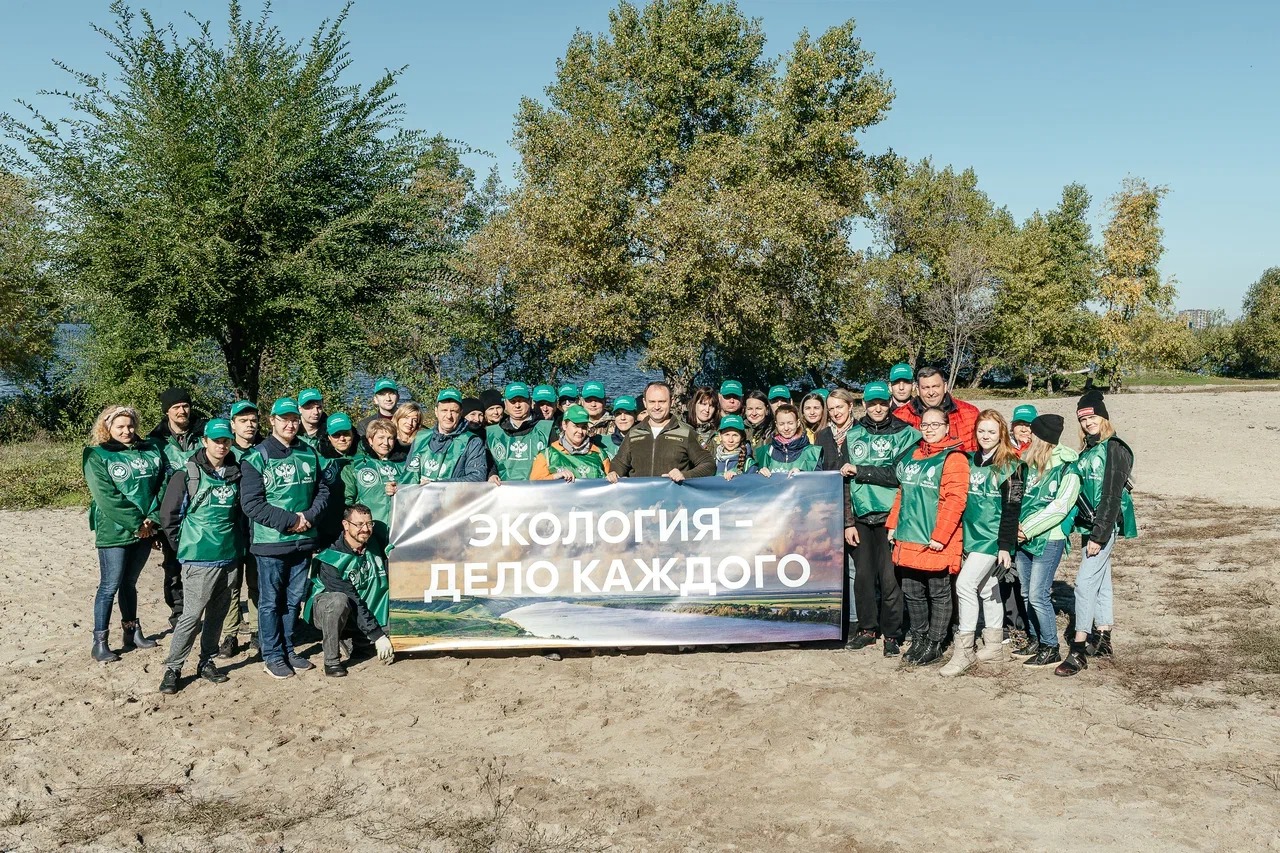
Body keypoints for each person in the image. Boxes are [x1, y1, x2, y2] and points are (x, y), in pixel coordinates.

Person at [239, 397, 332, 679]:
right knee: (270, 602)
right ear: (272, 421)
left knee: (294, 600)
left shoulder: (308, 452)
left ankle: (289, 648)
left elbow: (323, 490)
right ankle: (272, 654)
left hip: (303, 539)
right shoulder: (256, 457)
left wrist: (309, 517)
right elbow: (252, 504)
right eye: (284, 419)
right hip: (271, 543)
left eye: (294, 419)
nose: (290, 424)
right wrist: (291, 521)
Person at [156, 419, 244, 693]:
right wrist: (181, 546)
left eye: (226, 440)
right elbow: (168, 516)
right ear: (204, 441)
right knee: (191, 616)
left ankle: (206, 661)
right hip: (198, 557)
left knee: (217, 614)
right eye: (216, 440)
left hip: (228, 556)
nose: (222, 445)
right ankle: (174, 667)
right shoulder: (187, 475)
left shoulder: (236, 473)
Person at [1056, 390, 1137, 677]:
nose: (1088, 422)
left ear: (1103, 417)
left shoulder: (1114, 448)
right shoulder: (1088, 449)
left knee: (1084, 583)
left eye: (1092, 417)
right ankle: (1103, 638)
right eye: (1083, 419)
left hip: (1103, 526)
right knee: (1101, 581)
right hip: (1089, 524)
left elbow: (1112, 495)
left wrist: (1099, 536)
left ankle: (1078, 649)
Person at [940, 410, 1024, 677]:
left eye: (991, 431)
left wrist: (1005, 546)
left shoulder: (1011, 465)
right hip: (971, 535)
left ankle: (964, 651)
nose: (986, 436)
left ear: (1002, 433)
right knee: (989, 589)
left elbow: (1012, 509)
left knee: (965, 585)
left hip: (991, 539)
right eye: (981, 431)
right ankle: (993, 645)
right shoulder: (970, 460)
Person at [839, 383, 920, 656]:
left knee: (889, 579)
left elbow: (899, 474)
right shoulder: (853, 434)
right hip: (861, 516)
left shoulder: (906, 433)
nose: (877, 408)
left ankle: (892, 634)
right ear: (864, 404)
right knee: (862, 577)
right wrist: (848, 522)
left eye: (882, 403)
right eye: (872, 403)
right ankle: (867, 629)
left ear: (889, 403)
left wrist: (861, 470)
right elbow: (845, 483)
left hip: (891, 516)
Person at [886, 406, 969, 667]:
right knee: (912, 590)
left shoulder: (954, 458)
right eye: (925, 425)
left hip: (935, 538)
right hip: (909, 534)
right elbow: (903, 492)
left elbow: (955, 500)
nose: (930, 429)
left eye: (936, 425)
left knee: (938, 591)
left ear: (947, 427)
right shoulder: (913, 454)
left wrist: (941, 536)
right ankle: (920, 637)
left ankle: (935, 642)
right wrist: (892, 525)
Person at [83, 405, 166, 663]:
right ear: (107, 428)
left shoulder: (151, 449)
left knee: (130, 583)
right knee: (110, 585)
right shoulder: (96, 455)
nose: (126, 431)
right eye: (120, 426)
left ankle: (131, 632)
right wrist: (136, 522)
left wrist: (152, 518)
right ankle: (100, 642)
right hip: (115, 529)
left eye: (130, 425)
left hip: (146, 527)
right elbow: (106, 496)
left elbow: (162, 483)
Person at [1012, 414, 1081, 669]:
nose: (1028, 437)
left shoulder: (1067, 467)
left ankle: (1050, 646)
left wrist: (1027, 529)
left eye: (1034, 434)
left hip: (1048, 538)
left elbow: (1060, 507)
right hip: (1022, 536)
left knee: (1038, 594)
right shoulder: (1026, 463)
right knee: (1025, 592)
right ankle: (1035, 638)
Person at [302, 505, 396, 677]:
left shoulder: (374, 544)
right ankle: (332, 661)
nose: (365, 529)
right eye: (359, 524)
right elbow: (353, 600)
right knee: (339, 601)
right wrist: (377, 635)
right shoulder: (332, 559)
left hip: (366, 608)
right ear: (346, 525)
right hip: (331, 610)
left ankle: (359, 640)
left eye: (369, 524)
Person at [149, 387, 207, 626]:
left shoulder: (205, 432)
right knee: (172, 565)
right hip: (171, 512)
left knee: (204, 564)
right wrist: (154, 519)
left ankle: (205, 610)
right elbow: (151, 481)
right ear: (167, 411)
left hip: (202, 510)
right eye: (176, 407)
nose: (182, 411)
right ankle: (178, 612)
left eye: (185, 406)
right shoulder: (155, 441)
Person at [220, 399, 264, 657]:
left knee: (257, 583)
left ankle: (258, 631)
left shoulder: (263, 451)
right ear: (233, 425)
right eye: (243, 421)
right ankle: (230, 634)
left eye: (253, 421)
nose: (249, 425)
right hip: (230, 528)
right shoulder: (225, 452)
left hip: (258, 528)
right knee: (231, 585)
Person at [608, 381, 714, 481]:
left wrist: (685, 475)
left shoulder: (686, 432)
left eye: (662, 401)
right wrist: (613, 472)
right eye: (652, 402)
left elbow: (708, 465)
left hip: (673, 498)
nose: (657, 407)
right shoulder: (634, 433)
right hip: (640, 498)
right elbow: (619, 463)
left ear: (671, 402)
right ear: (645, 403)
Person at [342, 419, 414, 555]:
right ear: (370, 440)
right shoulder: (355, 465)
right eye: (381, 438)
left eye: (390, 438)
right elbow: (347, 502)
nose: (385, 443)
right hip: (368, 534)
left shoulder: (404, 465)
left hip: (400, 534)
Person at [892, 367, 980, 453]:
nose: (931, 393)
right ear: (918, 390)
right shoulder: (899, 417)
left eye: (935, 386)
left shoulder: (970, 413)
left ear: (945, 387)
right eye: (925, 388)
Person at [412, 388, 489, 482]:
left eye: (454, 411)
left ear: (461, 413)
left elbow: (477, 478)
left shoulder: (473, 442)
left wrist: (437, 485)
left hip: (455, 496)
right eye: (444, 410)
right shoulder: (421, 437)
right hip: (421, 495)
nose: (449, 416)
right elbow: (409, 473)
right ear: (436, 412)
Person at [486, 383, 555, 481]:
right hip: (505, 491)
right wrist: (491, 474)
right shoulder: (493, 433)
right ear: (505, 404)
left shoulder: (546, 429)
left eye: (521, 401)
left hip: (538, 490)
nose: (517, 405)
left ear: (530, 402)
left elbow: (556, 461)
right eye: (513, 402)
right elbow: (489, 462)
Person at [531, 405, 612, 481]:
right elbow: (534, 486)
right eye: (576, 426)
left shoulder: (600, 454)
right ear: (564, 425)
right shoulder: (547, 455)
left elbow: (610, 484)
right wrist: (555, 477)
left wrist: (613, 476)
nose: (580, 431)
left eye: (584, 427)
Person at [754, 404, 822, 474]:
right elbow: (753, 480)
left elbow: (819, 479)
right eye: (781, 424)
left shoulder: (812, 452)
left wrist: (802, 473)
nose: (786, 428)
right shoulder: (766, 452)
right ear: (776, 425)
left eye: (790, 423)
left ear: (798, 423)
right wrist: (759, 473)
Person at [603, 396, 638, 461]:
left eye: (627, 413)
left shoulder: (646, 440)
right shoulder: (603, 442)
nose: (622, 418)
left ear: (635, 416)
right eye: (618, 413)